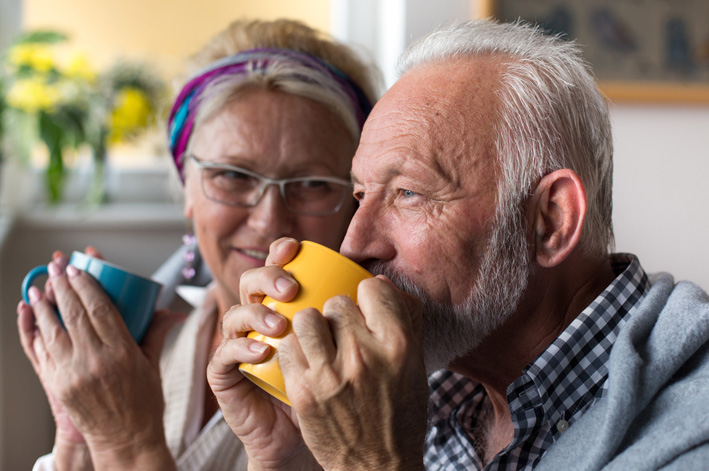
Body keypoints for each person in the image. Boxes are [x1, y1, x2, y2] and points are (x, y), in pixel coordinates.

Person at [208, 18, 709, 470]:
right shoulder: (441, 396)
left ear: (550, 221)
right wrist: (297, 458)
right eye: (360, 195)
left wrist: (373, 463)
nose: (354, 245)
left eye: (409, 194)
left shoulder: (691, 427)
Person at [16, 18, 379, 470]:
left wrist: (124, 441)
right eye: (232, 175)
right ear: (185, 188)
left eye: (311, 183)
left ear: (354, 200)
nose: (270, 220)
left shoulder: (373, 394)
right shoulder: (146, 352)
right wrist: (76, 436)